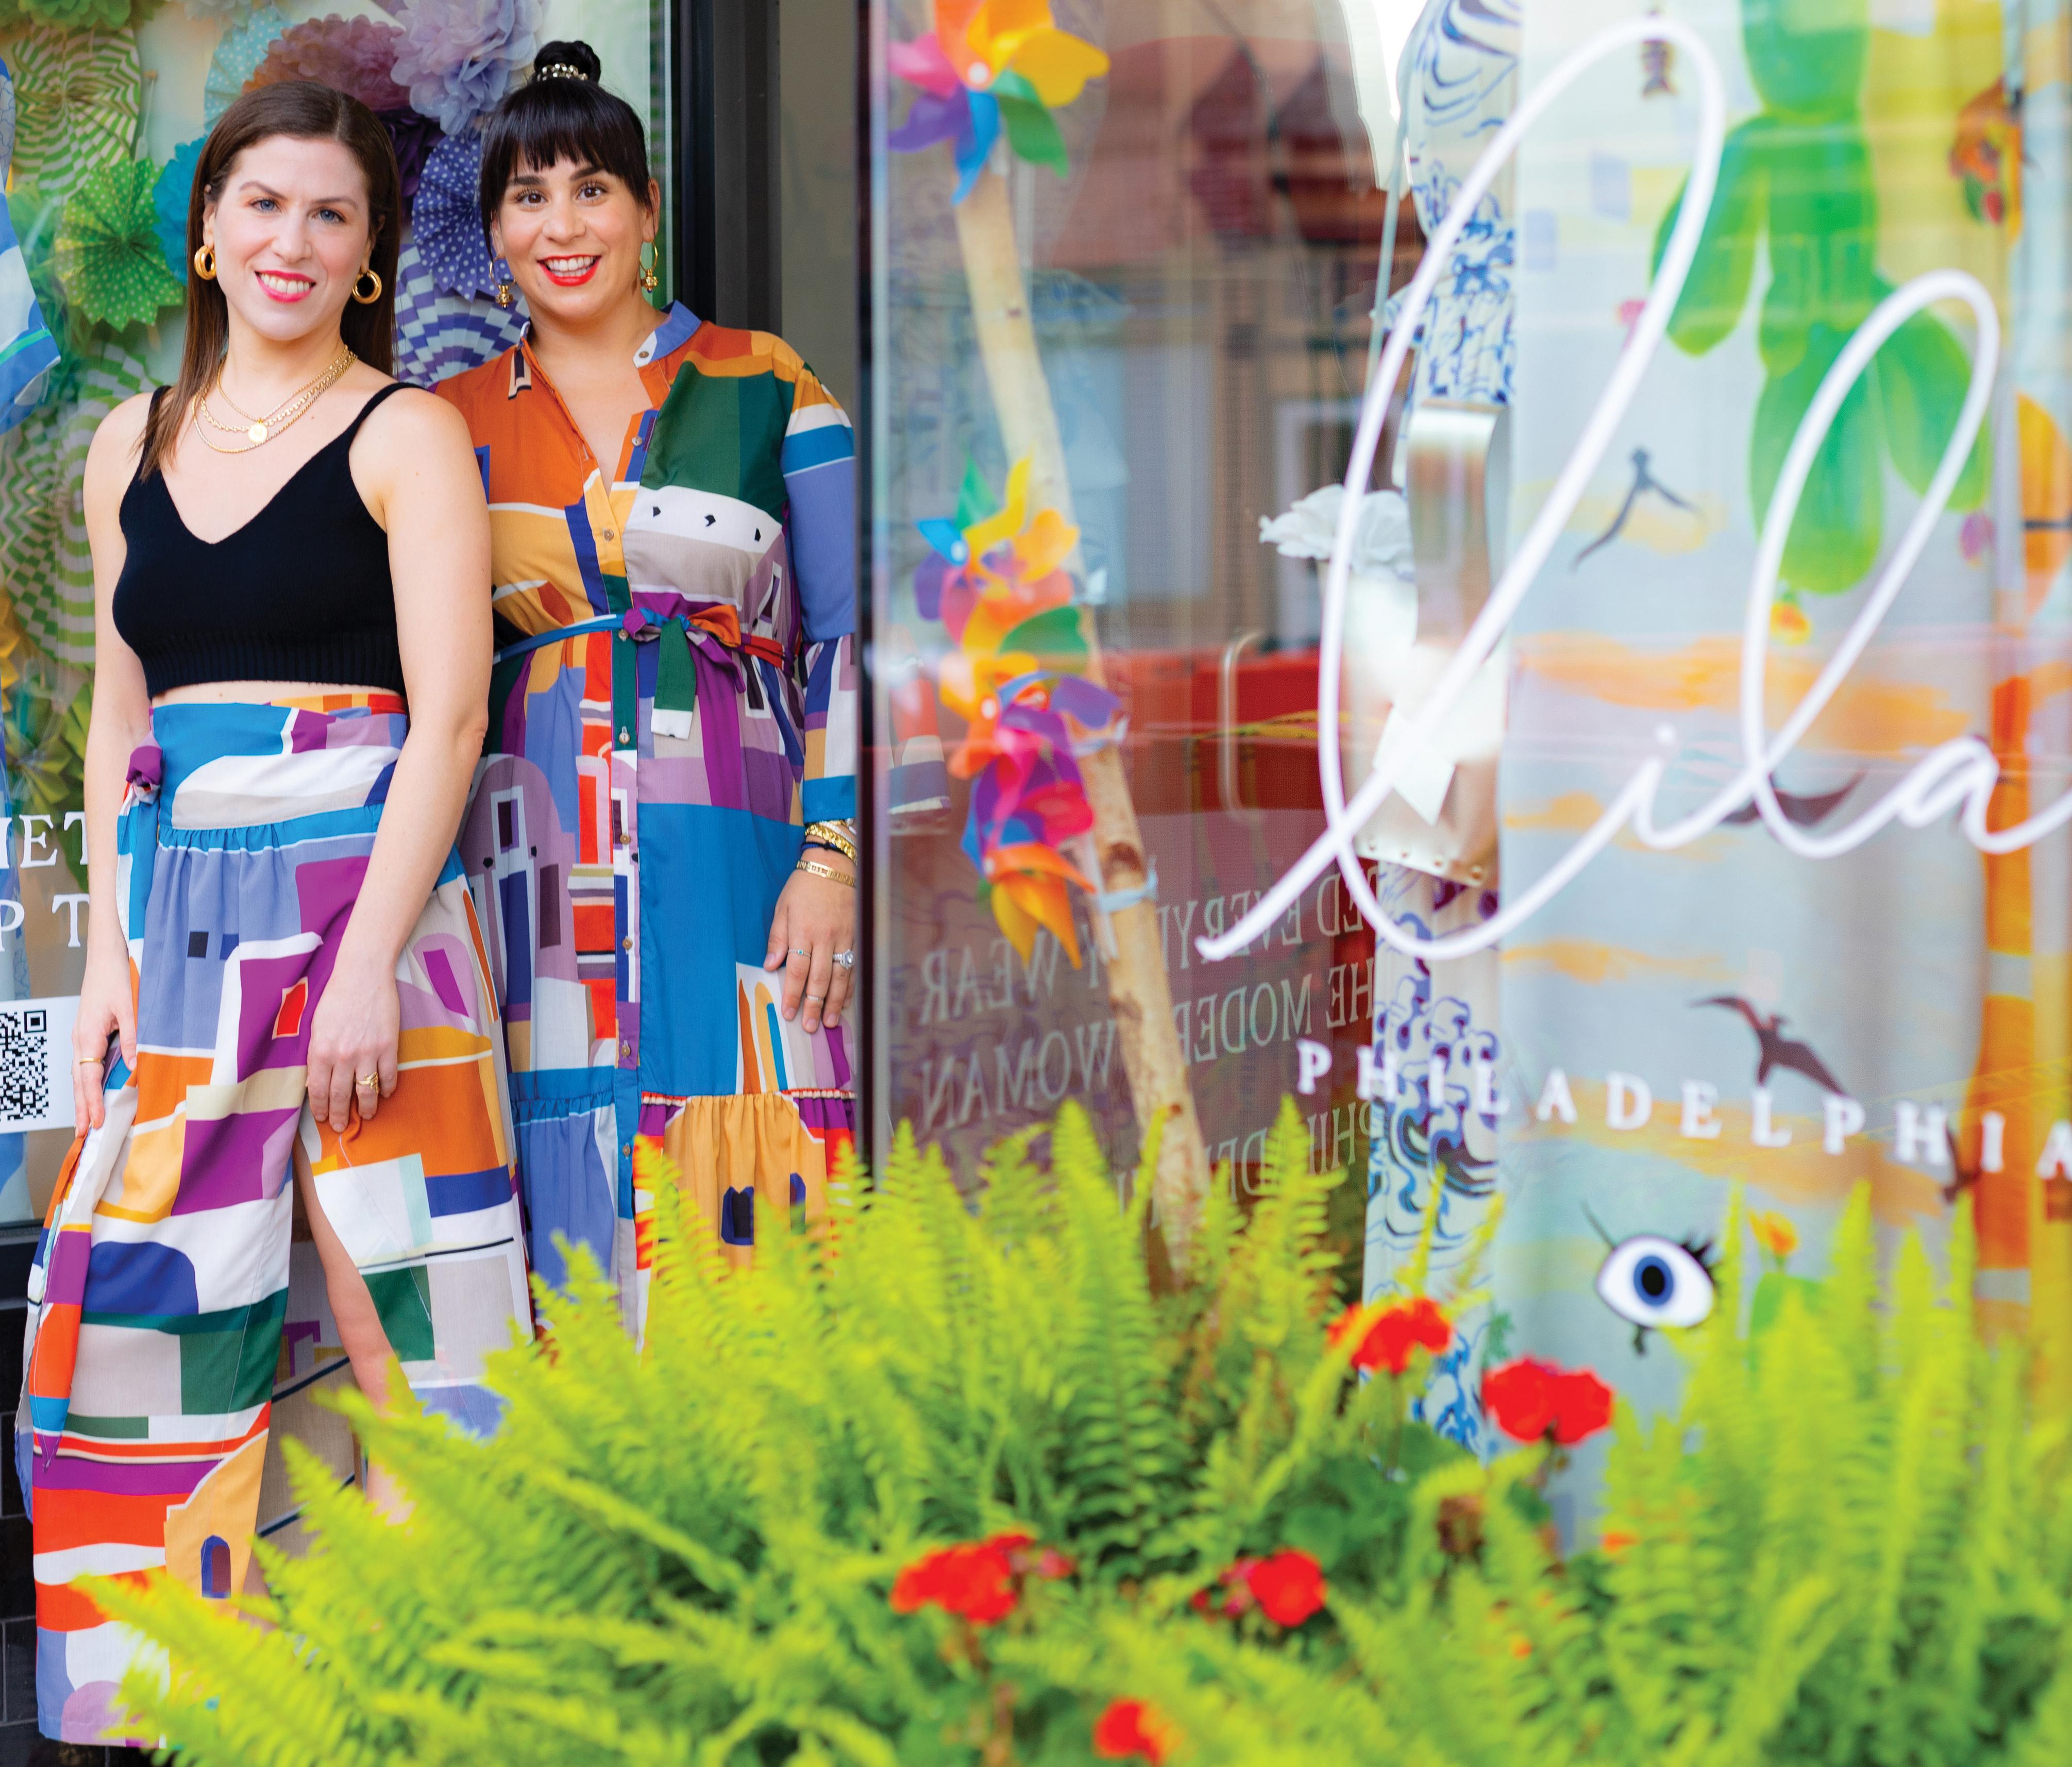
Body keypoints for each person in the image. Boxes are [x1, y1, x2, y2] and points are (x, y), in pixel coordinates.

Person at [24, 82, 530, 1743]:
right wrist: (104, 955)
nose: (291, 242)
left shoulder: (407, 435)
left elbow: (449, 716)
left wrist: (373, 959)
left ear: (373, 251)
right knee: (156, 1321)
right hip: (185, 936)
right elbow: (120, 721)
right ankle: (192, 1704)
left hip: (371, 911)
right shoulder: (131, 447)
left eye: (330, 213)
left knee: (414, 1322)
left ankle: (435, 1697)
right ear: (206, 231)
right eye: (262, 206)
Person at [438, 40, 856, 1328]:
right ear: (495, 231)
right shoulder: (444, 423)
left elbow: (852, 637)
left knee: (761, 1160)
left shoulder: (764, 382)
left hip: (745, 851)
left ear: (646, 209)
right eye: (528, 195)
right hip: (529, 874)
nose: (562, 225)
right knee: (555, 1169)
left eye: (592, 189)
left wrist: (834, 857)